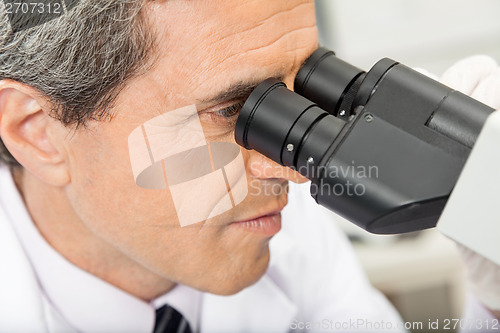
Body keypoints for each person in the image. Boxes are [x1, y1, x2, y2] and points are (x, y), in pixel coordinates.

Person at [0, 1, 498, 332]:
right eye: (228, 111)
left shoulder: (282, 230)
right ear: (38, 132)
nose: (295, 173)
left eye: (302, 91)